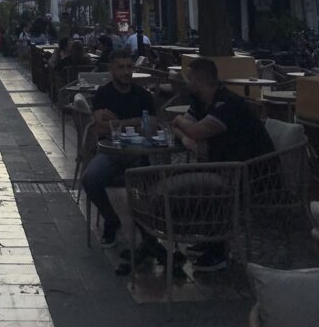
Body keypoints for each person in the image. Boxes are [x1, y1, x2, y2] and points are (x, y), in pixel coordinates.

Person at [171, 57, 275, 272]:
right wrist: (187, 139)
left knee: (207, 184)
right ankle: (211, 238)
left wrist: (179, 123)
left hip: (253, 174)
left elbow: (195, 129)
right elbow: (189, 131)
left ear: (199, 80)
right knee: (203, 177)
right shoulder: (202, 101)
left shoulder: (226, 104)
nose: (187, 84)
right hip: (229, 166)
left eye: (189, 80)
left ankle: (217, 251)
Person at [81, 49, 157, 247]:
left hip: (140, 153)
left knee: (157, 184)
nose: (126, 72)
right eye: (121, 67)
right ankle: (111, 218)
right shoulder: (103, 94)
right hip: (111, 153)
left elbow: (151, 126)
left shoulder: (143, 95)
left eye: (129, 67)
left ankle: (150, 232)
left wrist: (118, 122)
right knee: (90, 179)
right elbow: (99, 126)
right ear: (112, 69)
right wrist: (135, 122)